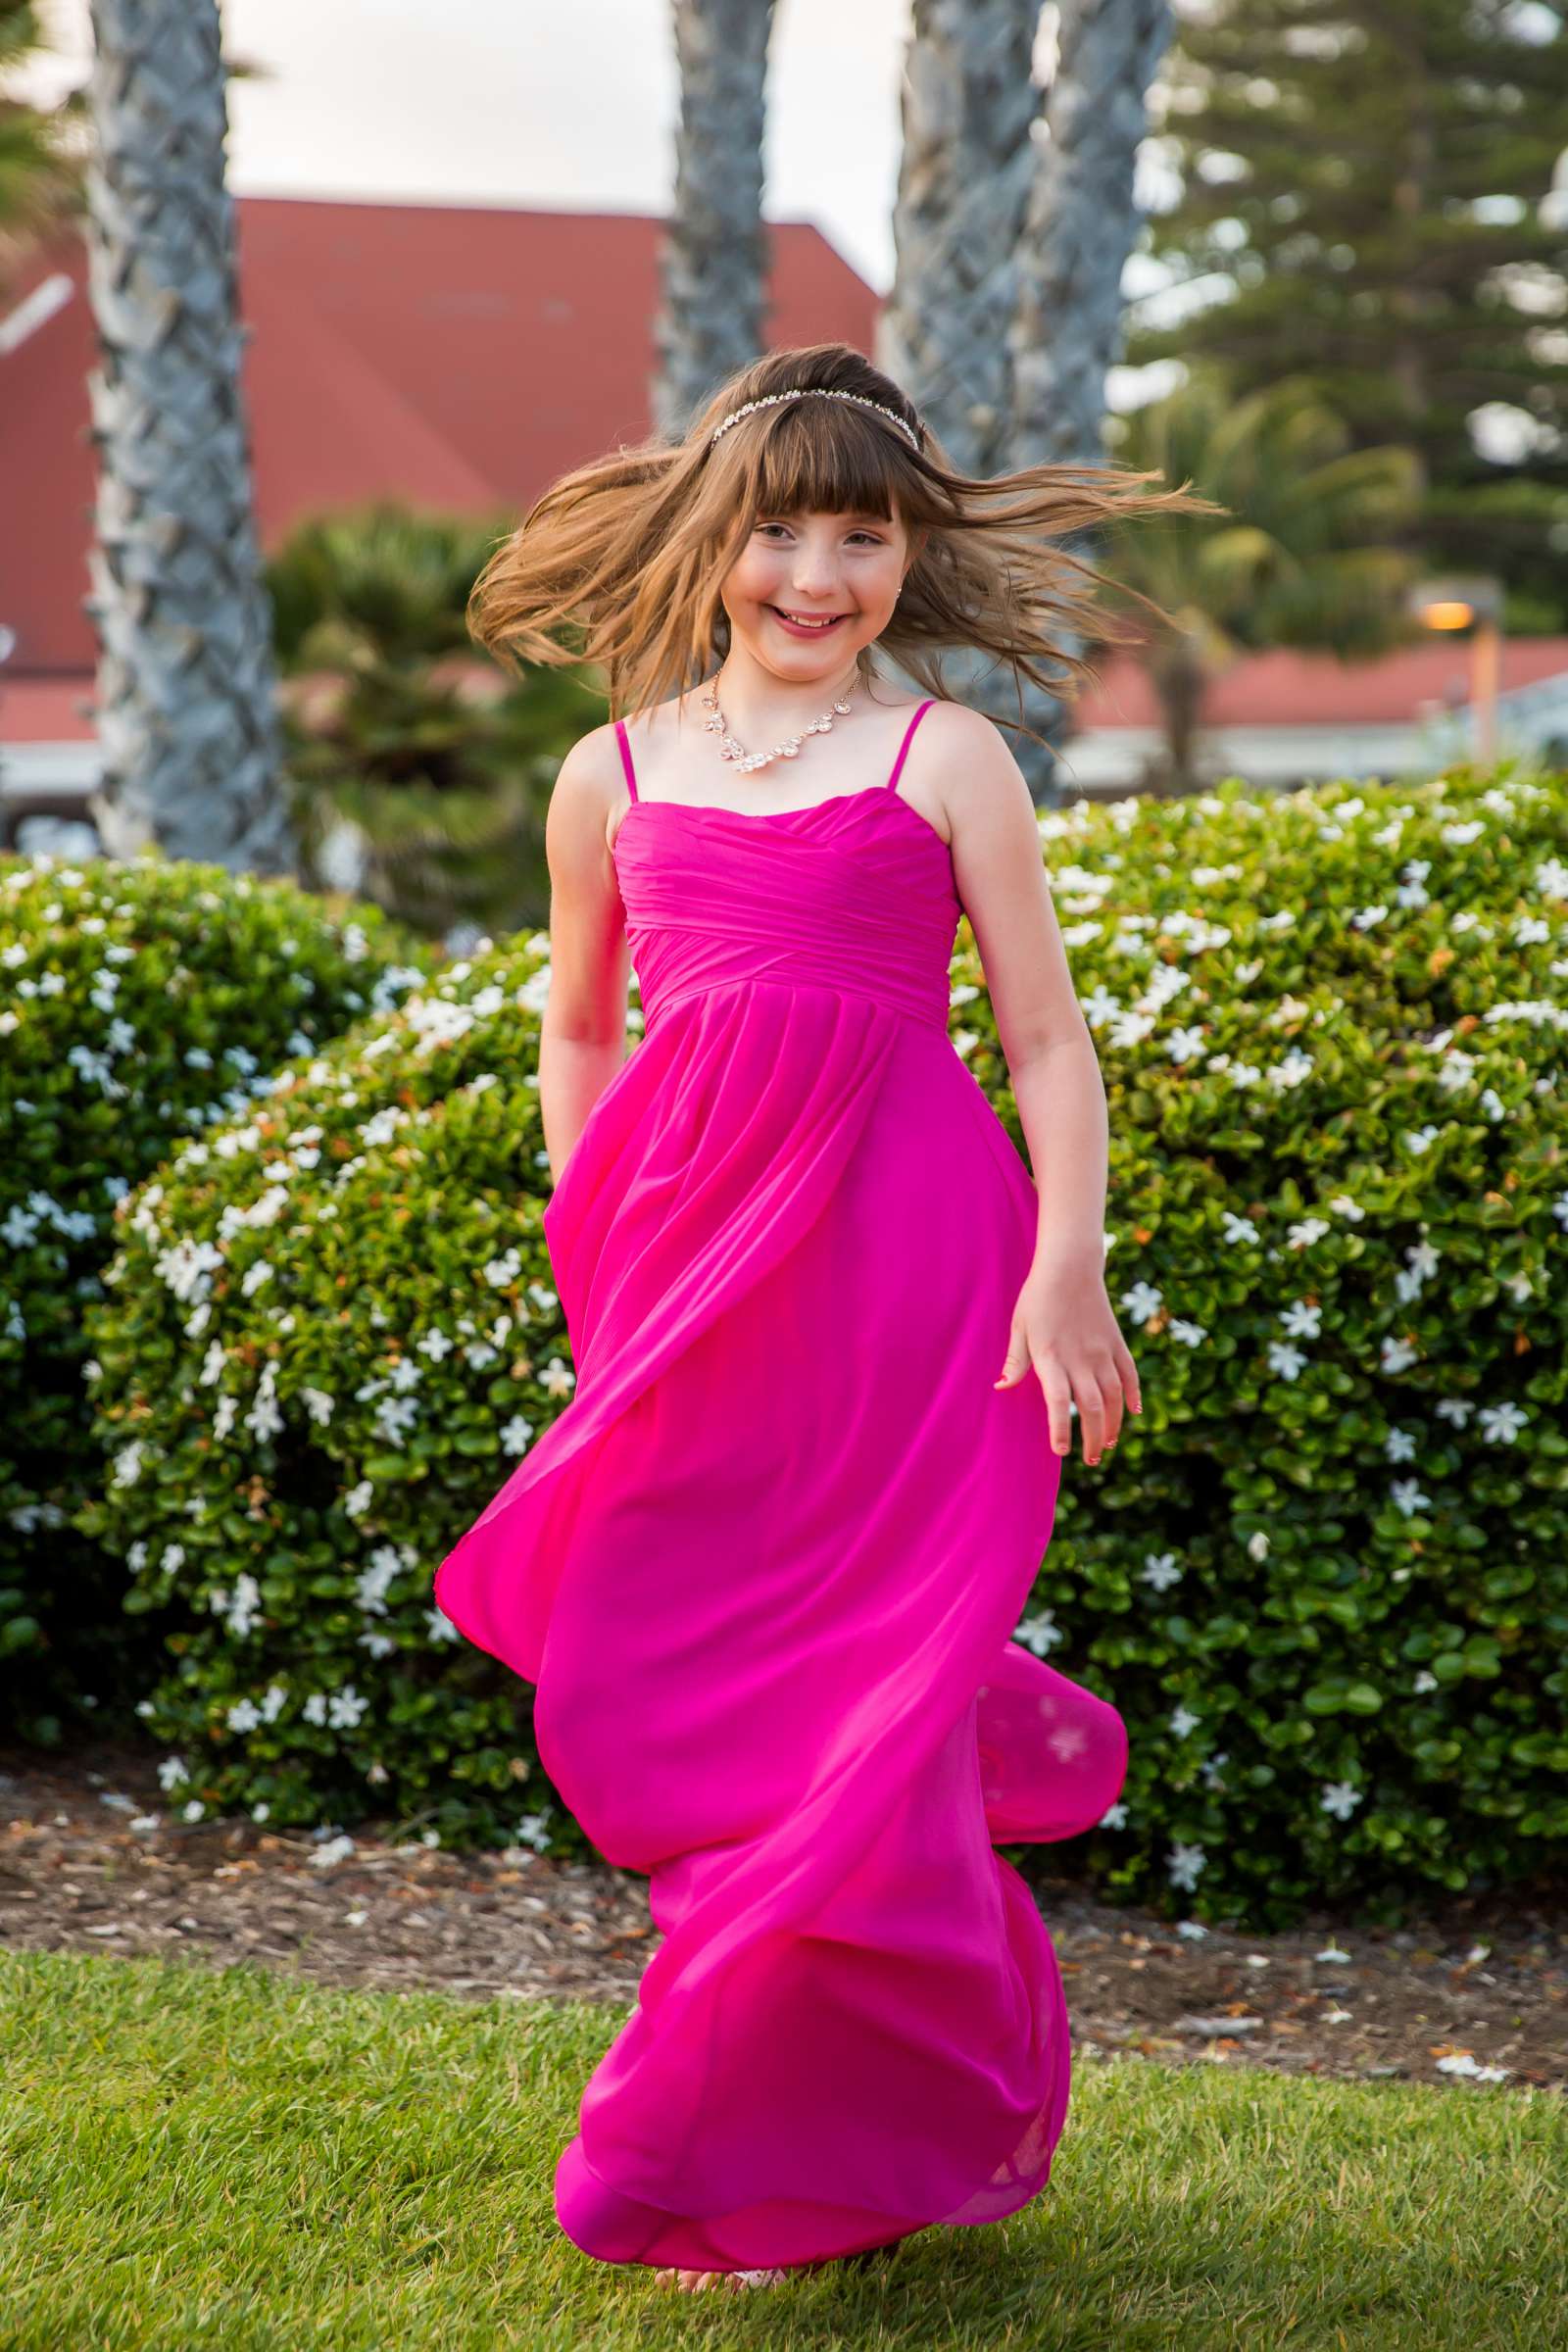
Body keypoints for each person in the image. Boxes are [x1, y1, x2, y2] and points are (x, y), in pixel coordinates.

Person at [433, 342, 1206, 2293]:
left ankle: (705, 2130)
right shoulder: (605, 771)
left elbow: (1042, 1036)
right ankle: (806, 2119)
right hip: (691, 1286)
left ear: (898, 552)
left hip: (915, 1279)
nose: (814, 572)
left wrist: (1064, 1260)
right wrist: (597, 1258)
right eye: (779, 527)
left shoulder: (940, 754)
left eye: (857, 535)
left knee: (868, 1695)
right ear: (712, 540)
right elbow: (579, 1023)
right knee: (695, 1678)